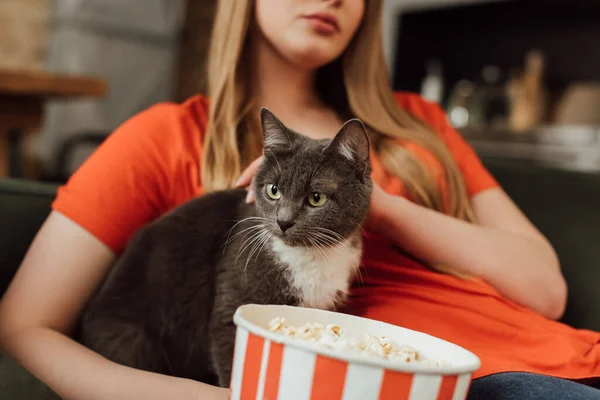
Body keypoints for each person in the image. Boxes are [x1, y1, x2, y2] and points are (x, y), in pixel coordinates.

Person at [0, 0, 599, 399]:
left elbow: (546, 290)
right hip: (458, 382)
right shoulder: (168, 136)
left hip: (573, 354)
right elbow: (26, 325)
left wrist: (380, 204)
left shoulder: (418, 125)